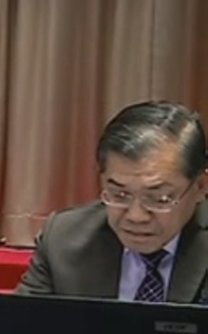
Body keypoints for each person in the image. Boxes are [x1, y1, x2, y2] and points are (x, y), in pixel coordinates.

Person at [17, 101, 208, 302]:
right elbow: (23, 320)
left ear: (201, 186)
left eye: (159, 198)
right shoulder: (63, 240)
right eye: (119, 195)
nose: (136, 216)